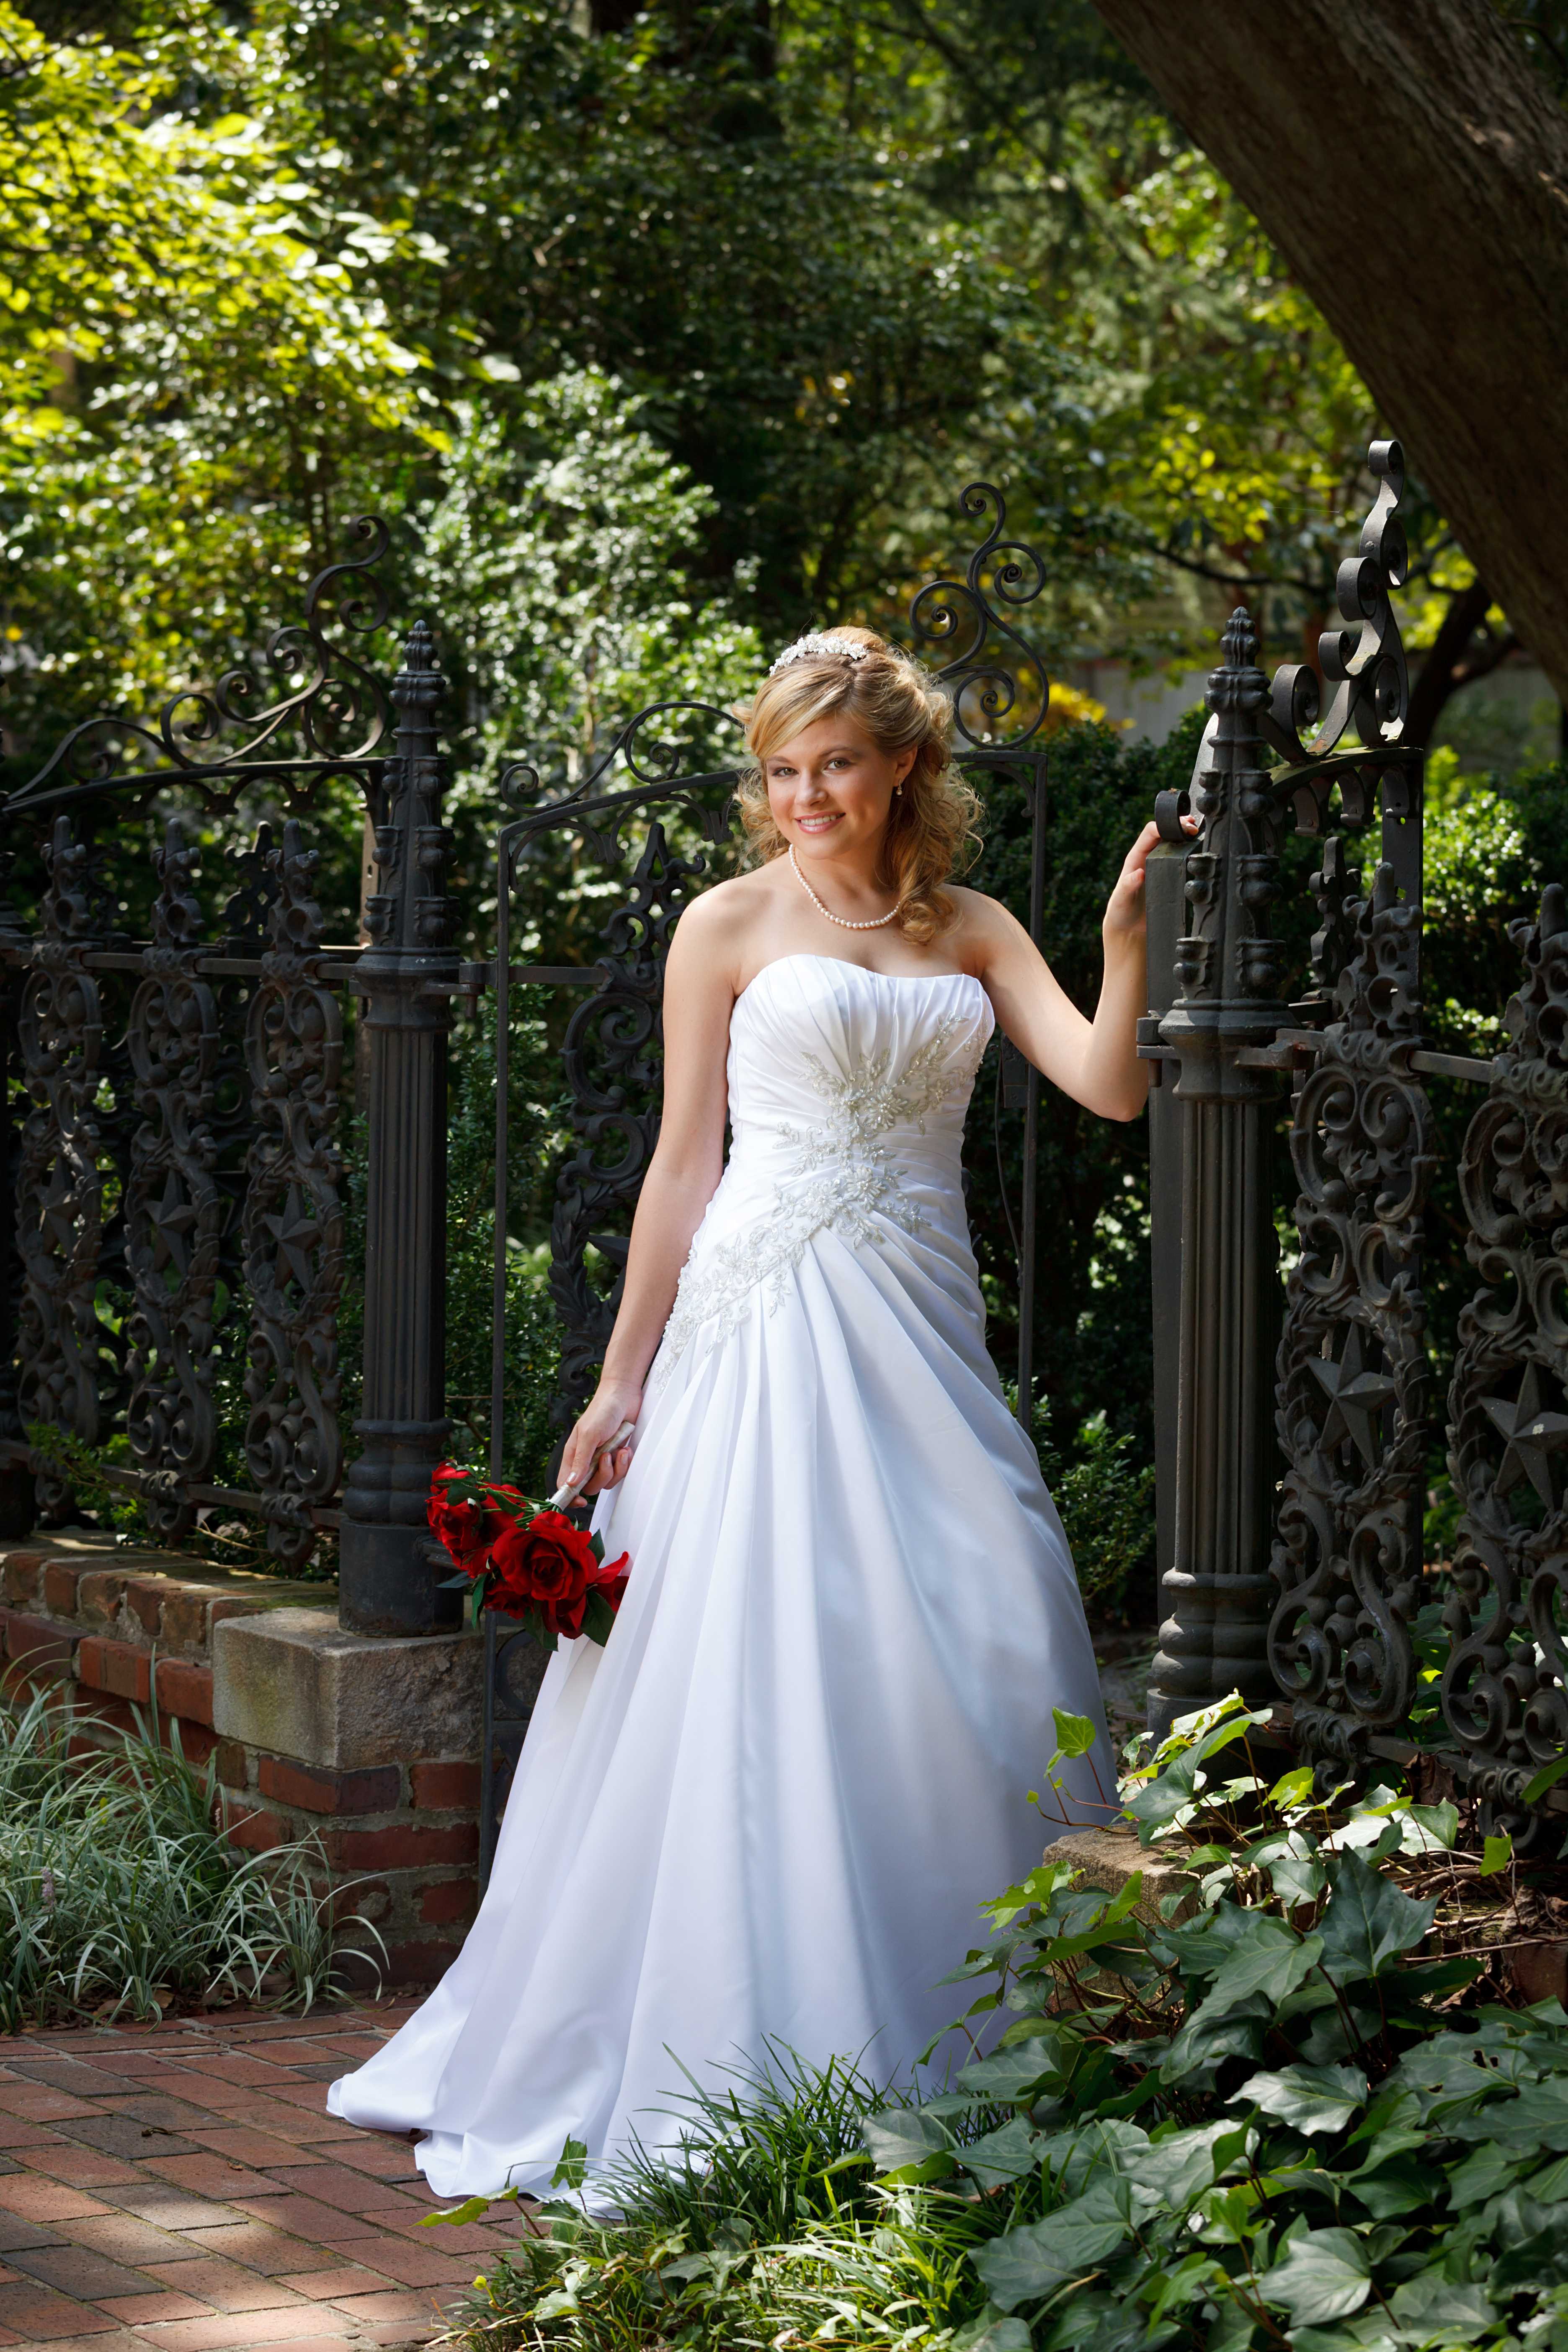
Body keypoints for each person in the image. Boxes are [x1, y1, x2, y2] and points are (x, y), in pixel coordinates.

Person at [328, 625, 1169, 2202]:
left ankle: (988, 2028)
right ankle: (746, 2034)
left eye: (833, 765)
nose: (803, 797)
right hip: (758, 1326)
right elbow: (679, 1163)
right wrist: (619, 1378)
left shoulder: (975, 926)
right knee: (749, 1645)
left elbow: (1109, 1085)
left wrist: (1127, 938)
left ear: (903, 763)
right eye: (780, 771)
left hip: (919, 1326)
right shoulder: (723, 925)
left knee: (991, 1608)